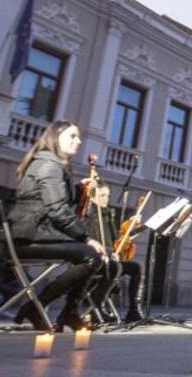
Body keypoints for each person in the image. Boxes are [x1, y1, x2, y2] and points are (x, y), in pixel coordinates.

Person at [9, 121, 106, 332]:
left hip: (36, 235)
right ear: (56, 137)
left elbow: (56, 204)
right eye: (72, 136)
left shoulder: (50, 164)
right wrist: (85, 237)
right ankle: (37, 307)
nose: (78, 141)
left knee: (90, 255)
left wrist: (79, 190)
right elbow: (56, 210)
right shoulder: (49, 165)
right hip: (29, 239)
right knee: (91, 256)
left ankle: (68, 313)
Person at [80, 181, 145, 323]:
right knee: (116, 266)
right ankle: (97, 308)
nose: (105, 199)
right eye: (102, 195)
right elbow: (86, 240)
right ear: (91, 197)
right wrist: (109, 253)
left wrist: (131, 229)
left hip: (109, 262)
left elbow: (117, 240)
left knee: (136, 267)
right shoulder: (87, 214)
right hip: (92, 261)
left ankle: (134, 310)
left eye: (107, 196)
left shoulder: (108, 214)